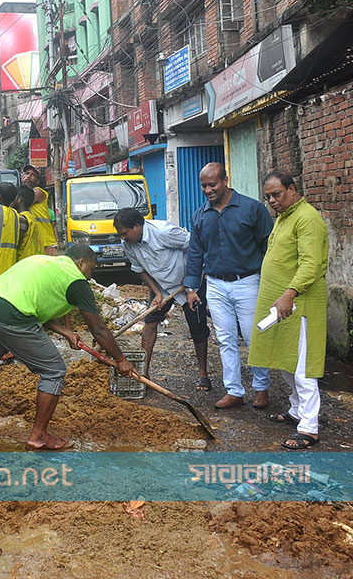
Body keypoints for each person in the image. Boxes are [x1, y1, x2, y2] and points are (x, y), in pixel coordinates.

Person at [0, 245, 134, 450]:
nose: (90, 275)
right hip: (13, 316)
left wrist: (67, 332)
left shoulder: (42, 261)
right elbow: (97, 328)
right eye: (91, 268)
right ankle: (38, 436)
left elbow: (35, 307)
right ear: (81, 263)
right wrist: (121, 360)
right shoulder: (77, 281)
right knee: (54, 370)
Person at [249, 171, 328, 449]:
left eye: (277, 194)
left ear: (292, 189)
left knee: (303, 366)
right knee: (285, 361)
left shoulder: (307, 218)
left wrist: (289, 293)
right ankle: (296, 410)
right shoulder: (284, 218)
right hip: (282, 305)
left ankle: (309, 427)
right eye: (268, 196)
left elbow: (311, 264)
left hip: (301, 304)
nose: (272, 200)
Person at [184, 162, 274, 409]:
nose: (208, 190)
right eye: (203, 186)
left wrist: (272, 282)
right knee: (225, 339)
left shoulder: (252, 209)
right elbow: (195, 253)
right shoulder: (200, 216)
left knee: (253, 337)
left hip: (248, 283)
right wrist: (191, 288)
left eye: (212, 184)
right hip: (215, 285)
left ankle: (261, 388)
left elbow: (269, 247)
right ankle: (234, 390)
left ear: (225, 180)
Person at [113, 208, 210, 389]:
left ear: (137, 226)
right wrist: (157, 293)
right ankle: (144, 374)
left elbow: (195, 246)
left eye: (125, 233)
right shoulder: (127, 244)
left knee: (197, 328)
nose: (123, 238)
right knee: (150, 323)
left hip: (188, 284)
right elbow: (139, 269)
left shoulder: (164, 232)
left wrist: (190, 277)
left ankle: (203, 374)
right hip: (162, 287)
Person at [21, 164, 58, 255]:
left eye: (33, 175)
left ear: (38, 182)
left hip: (46, 244)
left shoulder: (38, 192)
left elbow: (17, 197)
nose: (28, 176)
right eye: (27, 173)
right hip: (34, 243)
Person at [15, 185, 44, 260]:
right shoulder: (30, 217)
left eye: (13, 197)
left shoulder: (21, 219)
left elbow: (17, 244)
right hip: (35, 260)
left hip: (25, 261)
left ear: (20, 200)